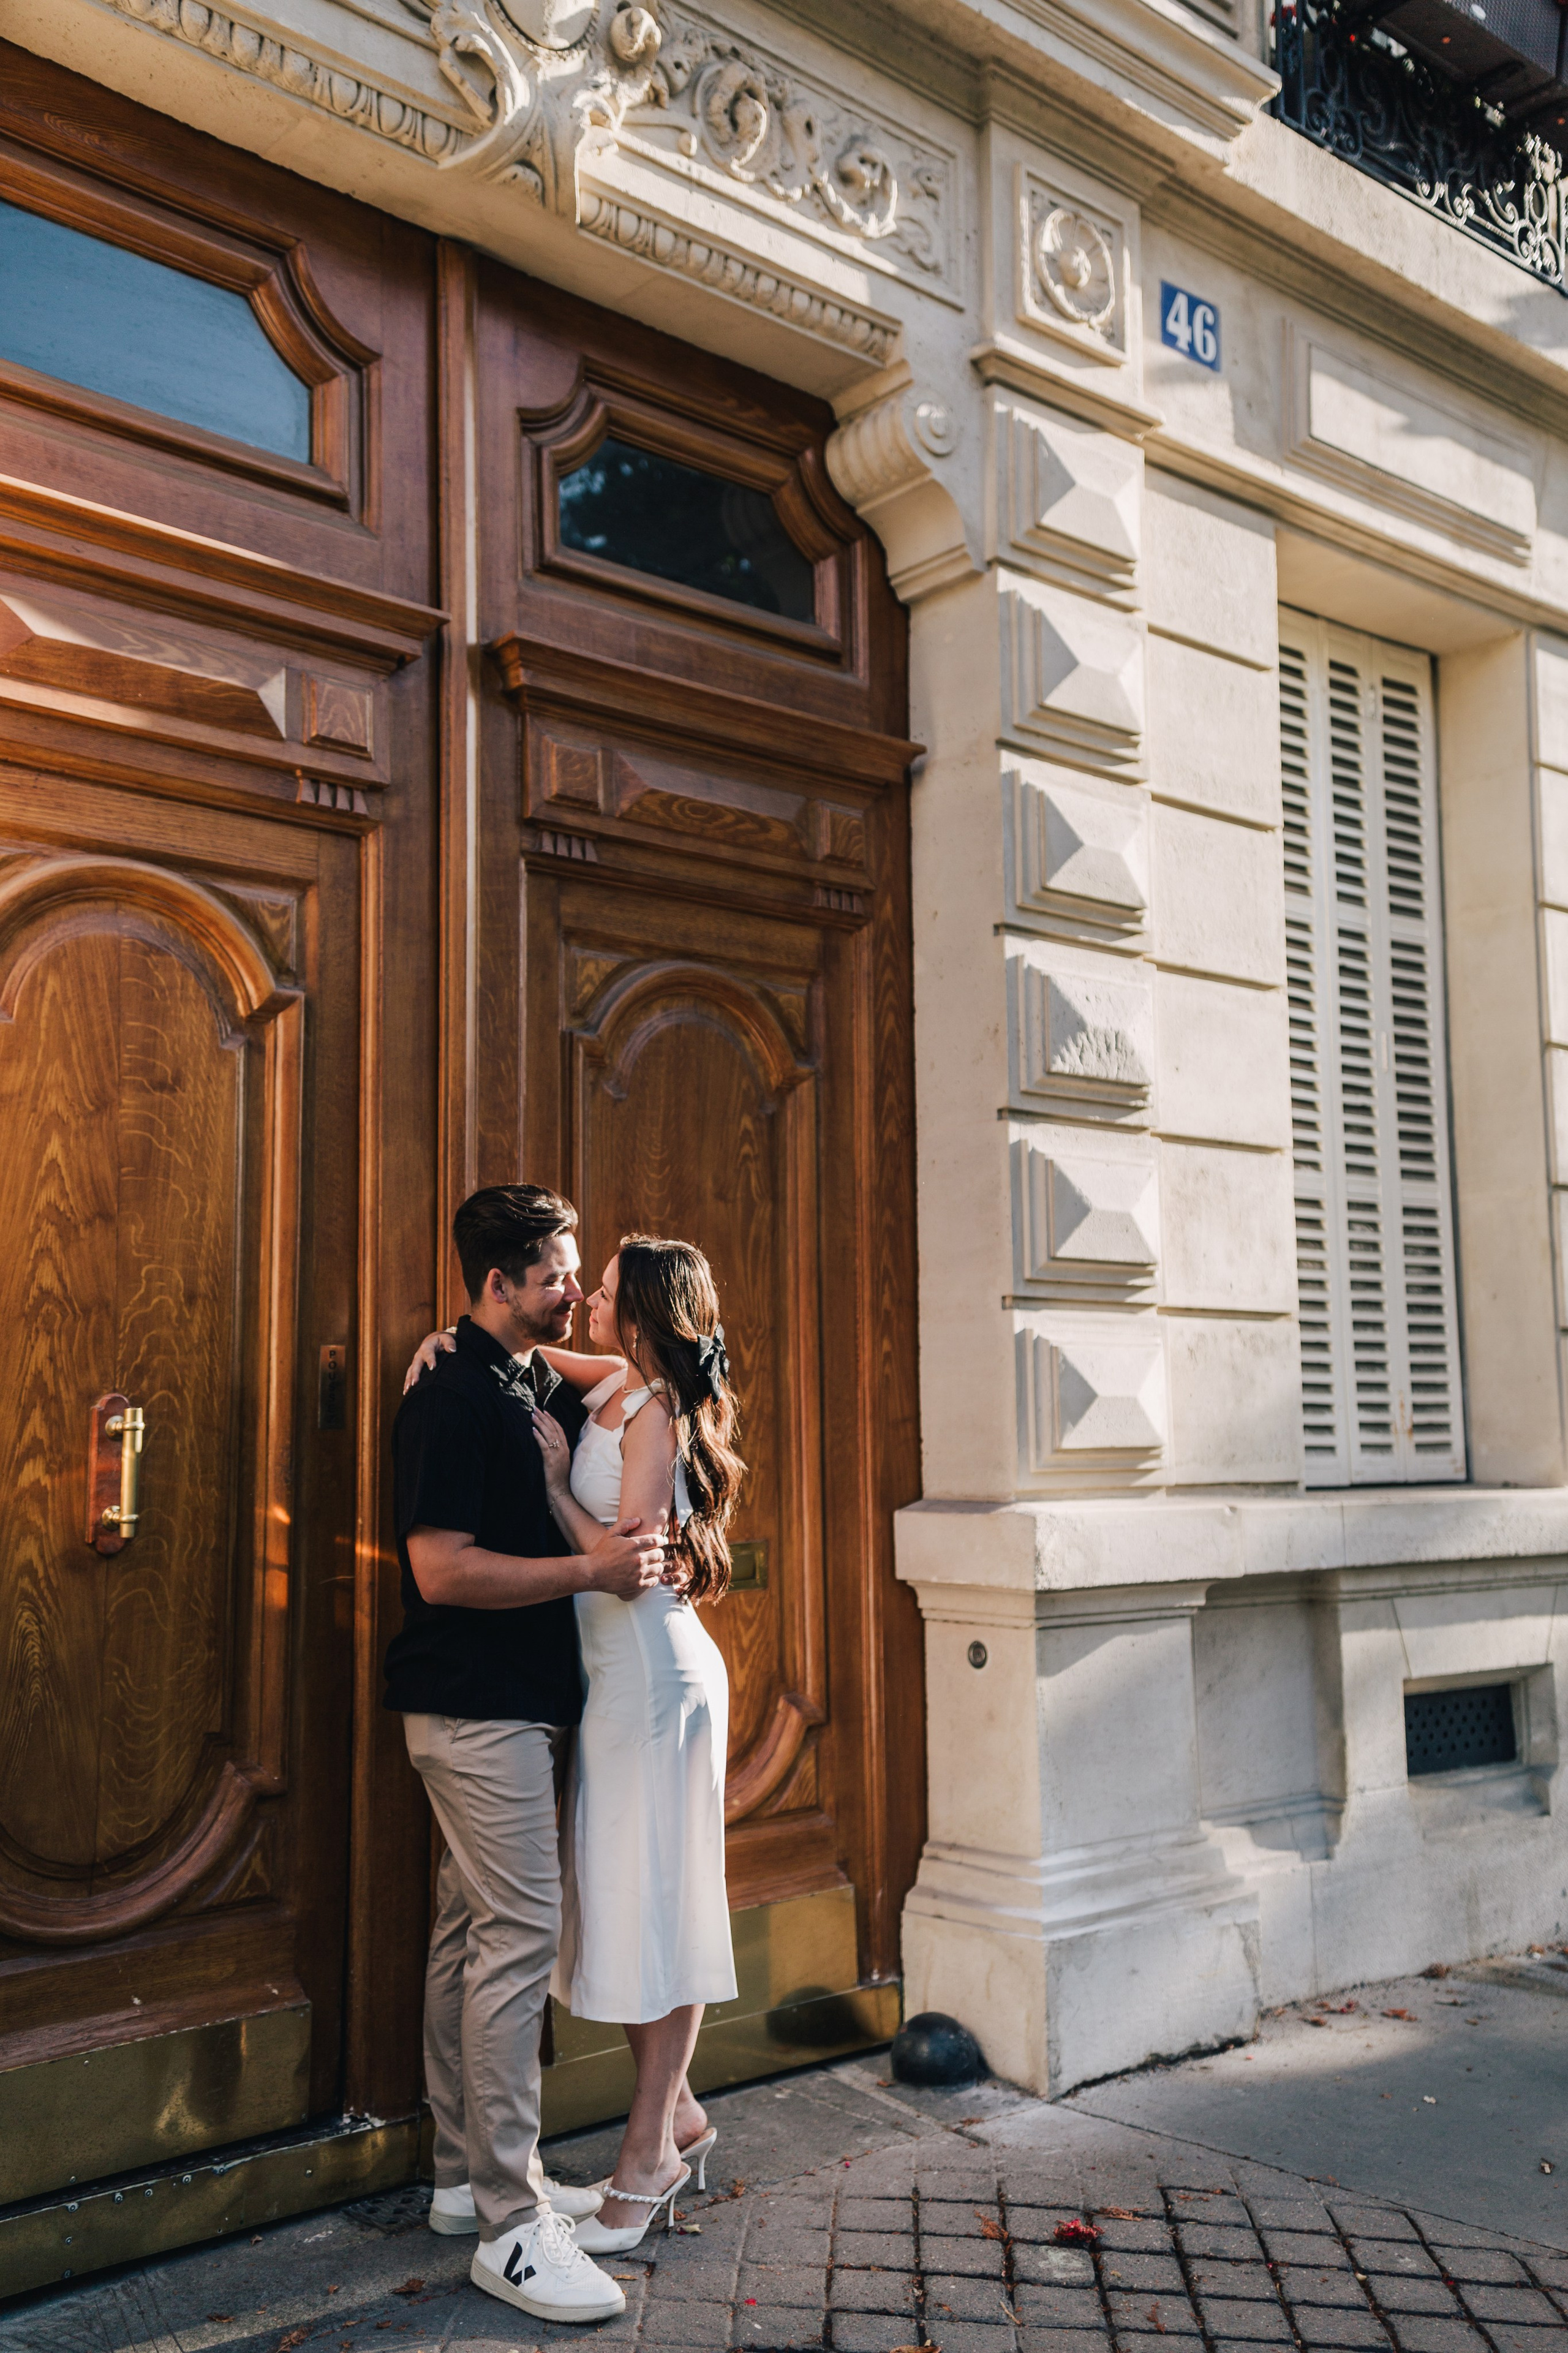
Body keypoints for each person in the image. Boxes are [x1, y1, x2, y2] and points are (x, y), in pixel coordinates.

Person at [404, 1231, 744, 2256]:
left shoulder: (656, 1412)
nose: (583, 1298)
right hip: (608, 1687)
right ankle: (679, 2112)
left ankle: (649, 2155)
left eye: (600, 1290)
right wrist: (445, 1341)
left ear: (637, 1314)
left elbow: (628, 1564)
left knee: (662, 1905)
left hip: (653, 1679)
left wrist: (556, 1487)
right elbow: (524, 1348)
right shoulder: (615, 1378)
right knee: (626, 1898)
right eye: (575, 1282)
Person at [385, 1184, 668, 2327]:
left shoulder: (513, 1372)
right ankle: (512, 2226)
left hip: (509, 1706)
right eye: (556, 1275)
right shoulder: (452, 1397)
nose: (574, 1288)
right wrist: (590, 1570)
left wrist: (459, 1334)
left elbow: (642, 1380)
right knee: (517, 1939)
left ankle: (465, 2181)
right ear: (500, 1281)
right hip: (475, 1711)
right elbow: (441, 1569)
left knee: (470, 1931)